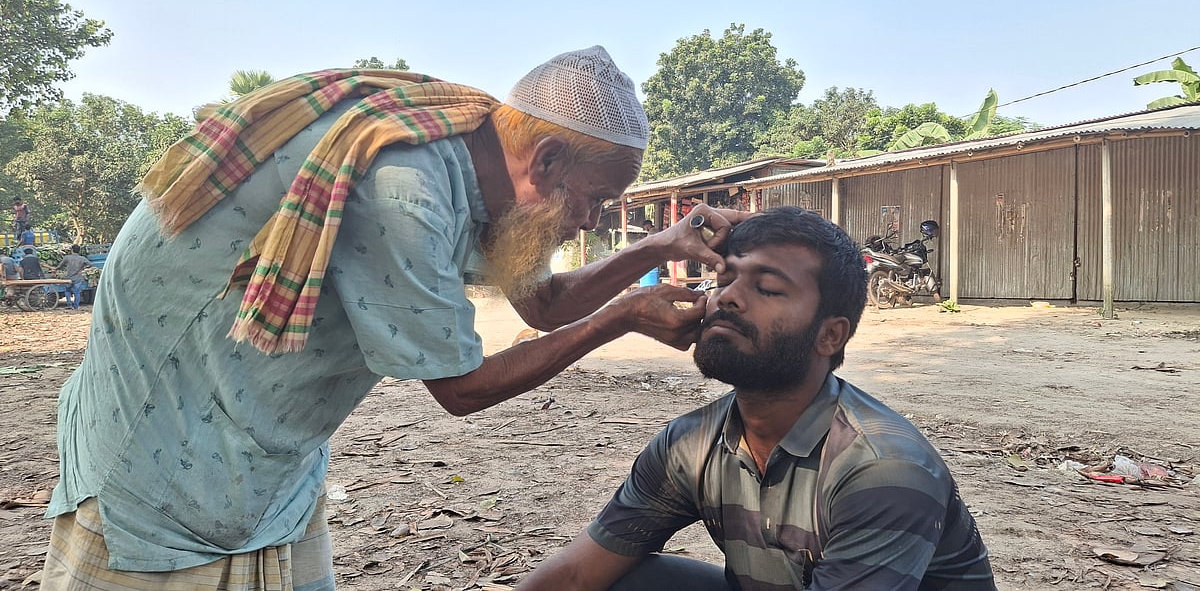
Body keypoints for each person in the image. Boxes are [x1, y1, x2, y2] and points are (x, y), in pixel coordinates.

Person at [41, 46, 748, 589]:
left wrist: (661, 246)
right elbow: (460, 388)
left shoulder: (481, 161)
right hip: (172, 431)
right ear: (547, 158)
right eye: (594, 199)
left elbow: (544, 303)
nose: (591, 220)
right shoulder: (405, 186)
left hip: (265, 445)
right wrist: (621, 317)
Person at [519, 207, 996, 591]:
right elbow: (576, 575)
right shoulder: (690, 445)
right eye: (724, 279)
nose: (727, 298)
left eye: (767, 288)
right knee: (634, 581)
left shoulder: (882, 470)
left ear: (830, 335)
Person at [54, 244, 92, 310]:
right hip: (78, 278)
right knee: (77, 293)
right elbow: (90, 264)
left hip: (69, 278)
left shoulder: (67, 258)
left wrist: (55, 269)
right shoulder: (82, 258)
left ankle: (69, 304)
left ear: (72, 250)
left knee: (67, 291)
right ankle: (76, 306)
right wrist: (83, 269)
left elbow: (60, 266)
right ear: (79, 251)